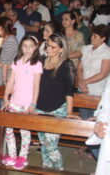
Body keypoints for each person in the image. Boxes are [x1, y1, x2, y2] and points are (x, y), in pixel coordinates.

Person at [35, 33, 79, 170]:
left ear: (61, 49)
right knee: (43, 143)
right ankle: (46, 169)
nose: (48, 49)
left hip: (57, 109)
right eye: (47, 45)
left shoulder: (67, 64)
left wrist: (69, 112)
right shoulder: (42, 60)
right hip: (40, 107)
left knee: (51, 146)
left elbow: (69, 91)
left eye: (53, 47)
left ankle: (59, 170)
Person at [1, 36, 42, 170]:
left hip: (26, 103)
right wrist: (6, 97)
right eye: (25, 45)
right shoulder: (17, 61)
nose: (27, 49)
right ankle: (12, 155)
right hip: (14, 101)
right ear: (21, 47)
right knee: (9, 130)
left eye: (31, 46)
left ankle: (23, 157)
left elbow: (36, 85)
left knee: (24, 131)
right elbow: (11, 80)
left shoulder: (37, 64)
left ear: (35, 47)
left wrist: (33, 104)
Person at [78, 24, 110, 118]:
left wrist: (84, 82)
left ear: (103, 38)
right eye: (92, 35)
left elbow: (103, 74)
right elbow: (80, 68)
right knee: (84, 119)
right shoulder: (86, 48)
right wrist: (81, 82)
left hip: (98, 92)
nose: (91, 37)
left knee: (94, 119)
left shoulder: (107, 51)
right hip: (83, 90)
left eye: (95, 36)